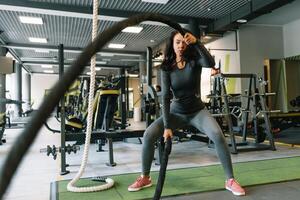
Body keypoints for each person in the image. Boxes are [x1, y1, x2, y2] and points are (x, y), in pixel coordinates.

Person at [128, 30, 246, 196]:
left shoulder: (194, 60)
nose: (181, 45)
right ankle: (145, 177)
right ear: (172, 45)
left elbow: (210, 62)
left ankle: (230, 180)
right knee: (148, 134)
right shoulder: (167, 67)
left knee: (218, 135)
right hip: (176, 113)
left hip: (197, 111)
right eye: (177, 42)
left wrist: (197, 42)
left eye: (184, 42)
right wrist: (167, 126)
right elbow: (167, 97)